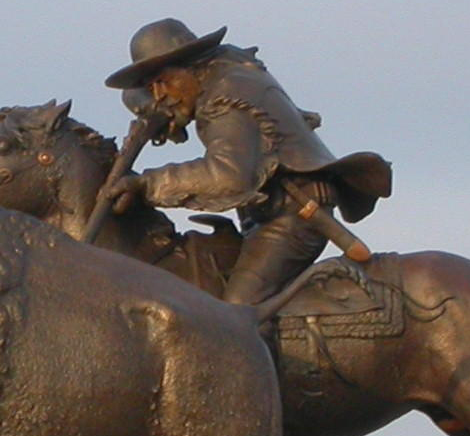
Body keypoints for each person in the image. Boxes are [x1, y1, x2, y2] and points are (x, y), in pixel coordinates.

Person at [103, 18, 392, 305]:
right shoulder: (226, 76)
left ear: (191, 66)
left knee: (236, 317)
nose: (160, 95)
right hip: (267, 216)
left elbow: (228, 176)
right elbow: (139, 96)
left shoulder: (225, 96)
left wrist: (146, 183)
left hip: (293, 216)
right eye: (152, 88)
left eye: (163, 82)